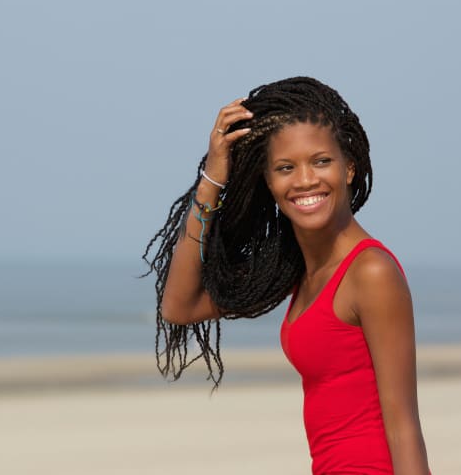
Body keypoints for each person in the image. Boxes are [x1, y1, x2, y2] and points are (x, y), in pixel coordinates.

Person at [143, 76, 430, 474]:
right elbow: (179, 305)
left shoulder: (371, 272)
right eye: (285, 167)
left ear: (349, 167)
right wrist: (211, 180)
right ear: (268, 181)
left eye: (321, 161)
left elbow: (404, 428)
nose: (305, 180)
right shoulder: (296, 270)